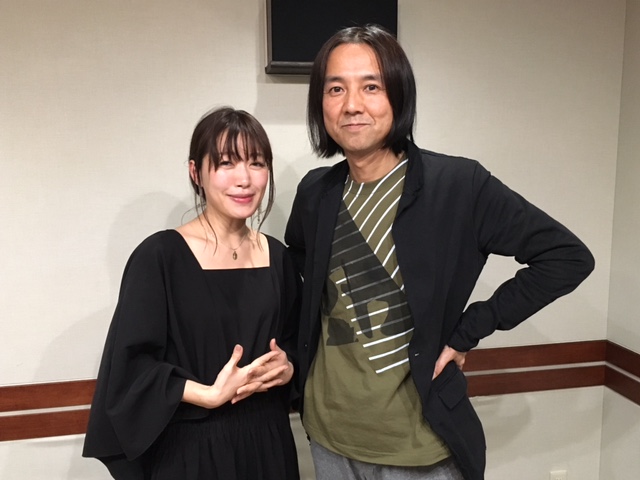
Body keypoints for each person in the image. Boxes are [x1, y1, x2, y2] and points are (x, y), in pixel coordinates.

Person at [284, 25, 594, 480]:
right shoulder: (317, 191)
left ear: (399, 94)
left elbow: (567, 257)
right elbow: (299, 265)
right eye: (336, 89)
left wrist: (469, 329)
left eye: (371, 86)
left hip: (420, 450)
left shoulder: (458, 186)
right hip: (329, 439)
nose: (351, 105)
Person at [83, 107, 301, 480]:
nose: (244, 179)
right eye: (227, 163)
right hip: (191, 450)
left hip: (269, 442)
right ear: (196, 172)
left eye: (257, 162)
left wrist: (288, 366)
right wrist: (209, 394)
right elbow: (131, 368)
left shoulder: (278, 256)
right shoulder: (160, 257)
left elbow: (299, 342)